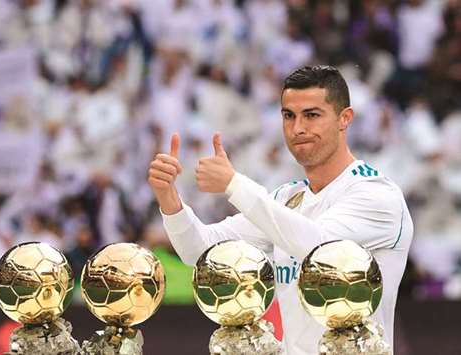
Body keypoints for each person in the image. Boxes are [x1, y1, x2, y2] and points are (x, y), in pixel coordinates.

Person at [147, 65, 413, 354]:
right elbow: (199, 251)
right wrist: (169, 199)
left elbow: (324, 253)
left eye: (312, 115)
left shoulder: (377, 195)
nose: (298, 128)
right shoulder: (288, 199)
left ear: (344, 118)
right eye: (289, 116)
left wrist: (235, 185)